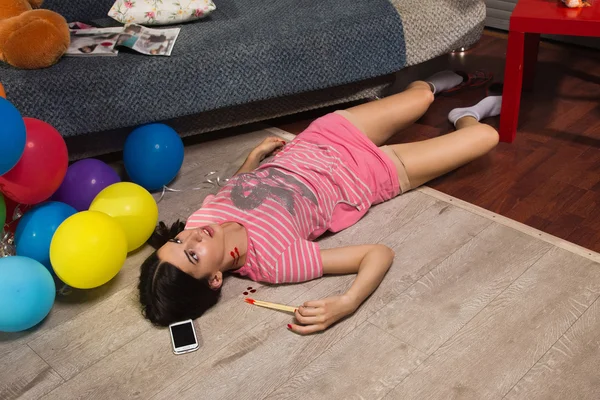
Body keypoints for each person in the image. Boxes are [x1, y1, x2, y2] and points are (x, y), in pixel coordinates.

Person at [138, 71, 502, 335]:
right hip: (371, 176)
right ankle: (465, 116)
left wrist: (253, 158)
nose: (191, 238)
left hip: (327, 138)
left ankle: (431, 85)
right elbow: (378, 253)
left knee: (422, 96)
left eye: (178, 241)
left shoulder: (201, 219)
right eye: (191, 255)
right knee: (487, 136)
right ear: (215, 278)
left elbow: (236, 188)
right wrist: (348, 302)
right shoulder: (277, 263)